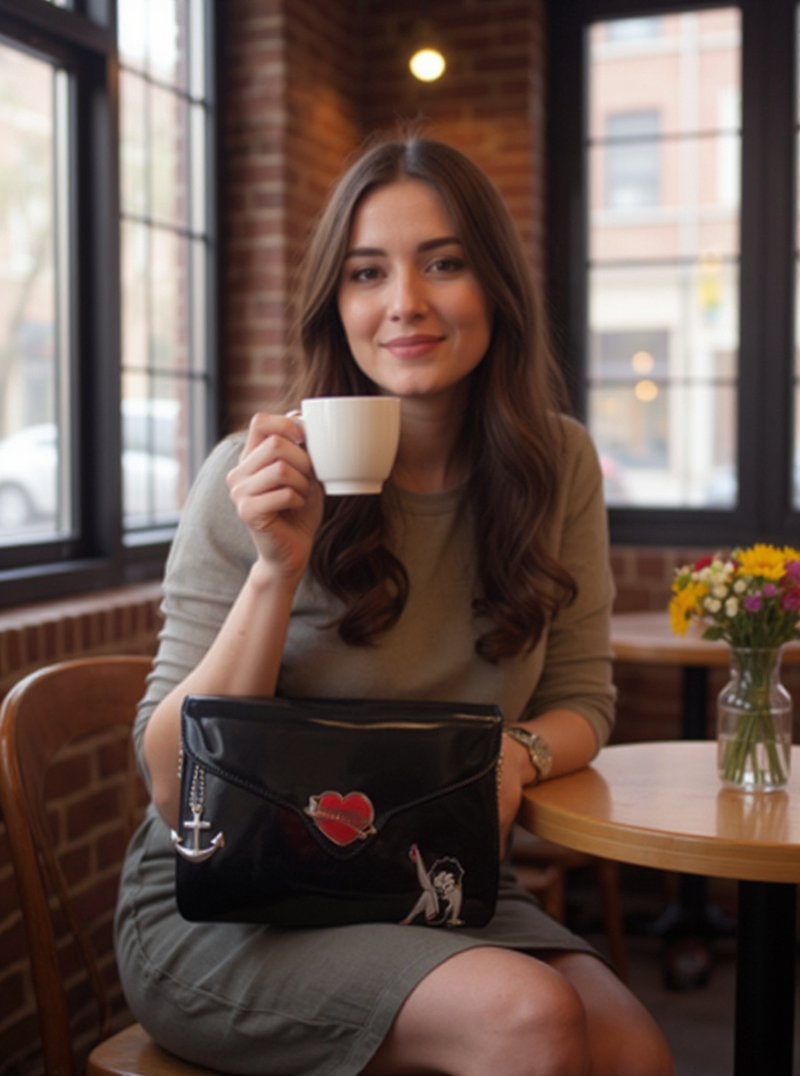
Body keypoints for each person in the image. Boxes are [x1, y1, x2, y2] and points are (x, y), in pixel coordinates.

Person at [115, 134, 675, 1076]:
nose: (405, 303)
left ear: (494, 285)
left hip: (431, 881)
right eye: (367, 272)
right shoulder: (251, 476)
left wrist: (517, 752)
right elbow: (173, 782)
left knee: (633, 1050)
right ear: (337, 304)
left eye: (444, 264)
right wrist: (274, 570)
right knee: (526, 1020)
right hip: (228, 901)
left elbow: (585, 698)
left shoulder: (558, 466)